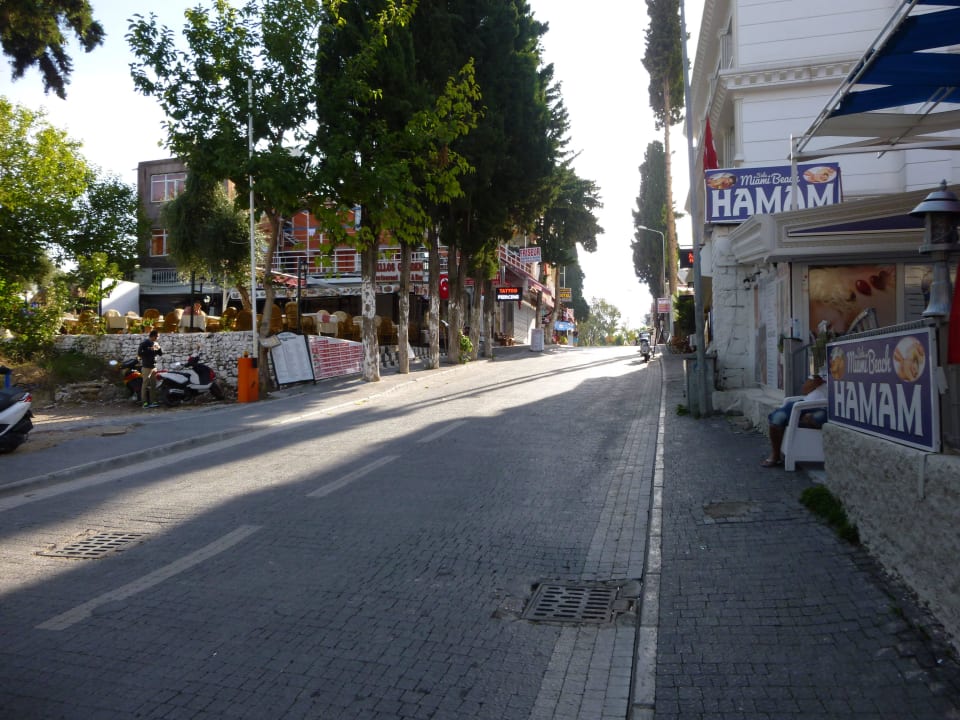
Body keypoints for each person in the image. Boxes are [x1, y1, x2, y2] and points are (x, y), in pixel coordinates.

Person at [761, 373, 828, 467]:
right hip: (804, 403)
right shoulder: (821, 371)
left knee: (811, 418)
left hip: (825, 408)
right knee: (777, 418)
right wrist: (816, 380)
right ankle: (776, 454)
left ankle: (797, 422)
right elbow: (805, 391)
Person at [137, 329, 163, 408]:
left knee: (153, 385)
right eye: (157, 336)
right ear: (153, 336)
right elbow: (139, 353)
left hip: (153, 367)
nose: (157, 338)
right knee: (145, 385)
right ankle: (144, 402)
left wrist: (158, 348)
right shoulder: (145, 343)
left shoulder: (156, 344)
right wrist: (149, 350)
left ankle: (153, 401)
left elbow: (160, 353)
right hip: (146, 367)